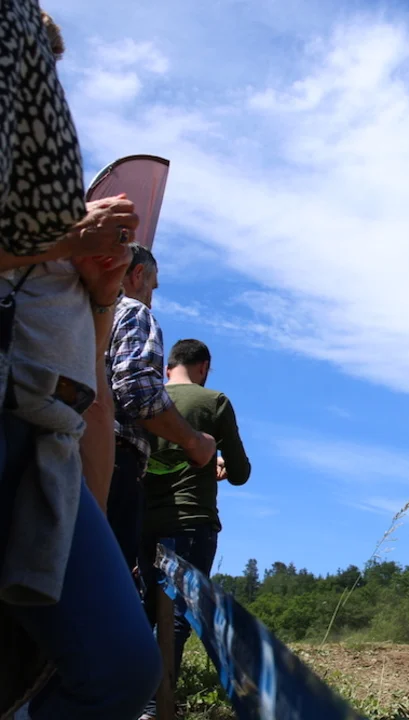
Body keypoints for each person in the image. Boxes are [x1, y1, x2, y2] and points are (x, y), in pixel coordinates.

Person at [0, 4, 163, 717]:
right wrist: (65, 242)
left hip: (48, 457)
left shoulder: (46, 195)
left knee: (121, 671)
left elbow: (93, 384)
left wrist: (98, 296)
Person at [139, 339, 251, 719]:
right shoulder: (213, 402)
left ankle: (130, 699)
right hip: (191, 521)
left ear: (168, 367)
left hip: (142, 522)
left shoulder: (144, 397)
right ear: (204, 367)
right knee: (177, 616)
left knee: (143, 612)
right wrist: (220, 462)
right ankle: (154, 707)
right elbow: (240, 473)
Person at [105, 245, 216, 583]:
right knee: (105, 576)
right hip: (114, 464)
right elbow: (137, 392)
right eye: (152, 287)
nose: (151, 300)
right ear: (138, 274)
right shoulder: (133, 312)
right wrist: (194, 442)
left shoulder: (77, 309)